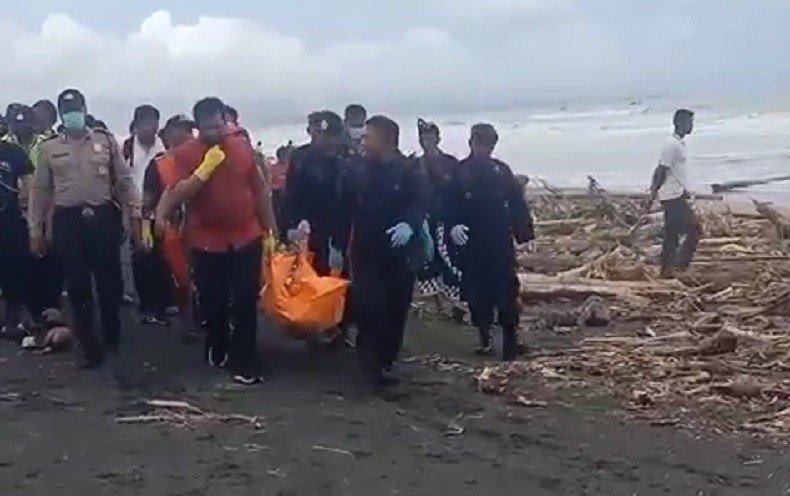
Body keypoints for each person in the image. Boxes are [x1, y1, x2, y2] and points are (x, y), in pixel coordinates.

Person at [154, 97, 277, 385]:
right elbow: (177, 194)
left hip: (246, 234)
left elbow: (259, 191)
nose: (216, 133)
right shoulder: (185, 154)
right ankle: (217, 346)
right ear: (198, 128)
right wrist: (203, 171)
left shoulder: (242, 147)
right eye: (209, 129)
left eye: (220, 126)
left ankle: (246, 359)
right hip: (207, 240)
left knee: (246, 299)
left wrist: (272, 230)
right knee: (214, 300)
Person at [29, 89, 143, 374]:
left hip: (103, 217)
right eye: (67, 110)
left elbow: (124, 181)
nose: (73, 114)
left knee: (109, 285)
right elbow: (41, 191)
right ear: (61, 114)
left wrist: (136, 213)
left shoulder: (105, 141)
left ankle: (113, 340)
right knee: (78, 287)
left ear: (84, 109)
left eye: (76, 108)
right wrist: (36, 228)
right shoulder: (49, 148)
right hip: (68, 220)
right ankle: (90, 348)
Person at [336, 115, 430, 389]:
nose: (364, 141)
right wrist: (336, 242)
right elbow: (344, 207)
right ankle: (368, 364)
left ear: (388, 140)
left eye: (369, 137)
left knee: (395, 307)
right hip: (366, 248)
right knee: (369, 305)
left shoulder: (409, 170)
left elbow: (422, 201)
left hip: (400, 250)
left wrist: (409, 224)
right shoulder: (357, 169)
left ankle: (387, 360)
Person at [447, 123, 534, 361]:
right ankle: (484, 335)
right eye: (480, 143)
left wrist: (525, 233)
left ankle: (510, 335)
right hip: (471, 239)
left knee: (507, 287)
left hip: (498, 237)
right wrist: (452, 225)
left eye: (488, 145)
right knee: (476, 291)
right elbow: (447, 202)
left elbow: (516, 202)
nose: (484, 149)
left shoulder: (501, 171)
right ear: (471, 143)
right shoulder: (460, 171)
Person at [6, 105, 63, 321]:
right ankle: (23, 312)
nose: (21, 129)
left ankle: (49, 309)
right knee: (18, 262)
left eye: (25, 124)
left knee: (47, 257)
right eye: (16, 124)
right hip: (12, 212)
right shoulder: (5, 145)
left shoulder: (46, 144)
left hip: (43, 205)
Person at [285, 111, 346, 276]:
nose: (323, 139)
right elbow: (291, 193)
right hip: (309, 229)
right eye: (316, 132)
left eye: (329, 135)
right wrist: (292, 224)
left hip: (342, 229)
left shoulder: (346, 157)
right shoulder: (301, 157)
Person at [414, 119, 464, 316]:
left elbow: (460, 192)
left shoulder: (451, 163)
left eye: (429, 137)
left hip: (447, 219)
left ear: (438, 138)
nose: (426, 141)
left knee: (451, 260)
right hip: (424, 220)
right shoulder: (416, 165)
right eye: (423, 138)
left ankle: (457, 303)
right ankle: (439, 304)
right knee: (427, 263)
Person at [645, 109, 697, 278]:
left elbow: (674, 170)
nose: (691, 126)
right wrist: (653, 192)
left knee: (672, 233)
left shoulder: (679, 143)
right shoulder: (671, 144)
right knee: (693, 228)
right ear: (679, 123)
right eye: (689, 122)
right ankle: (679, 265)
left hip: (677, 193)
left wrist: (684, 189)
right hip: (671, 196)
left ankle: (667, 267)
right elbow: (661, 169)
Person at [0, 133, 34, 336]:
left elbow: (29, 180)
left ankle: (13, 319)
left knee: (12, 268)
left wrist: (29, 209)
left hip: (10, 219)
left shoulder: (14, 152)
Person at [269, 142, 291, 242]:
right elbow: (269, 184)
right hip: (277, 196)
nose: (285, 157)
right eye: (283, 155)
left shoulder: (291, 167)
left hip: (289, 196)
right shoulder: (273, 168)